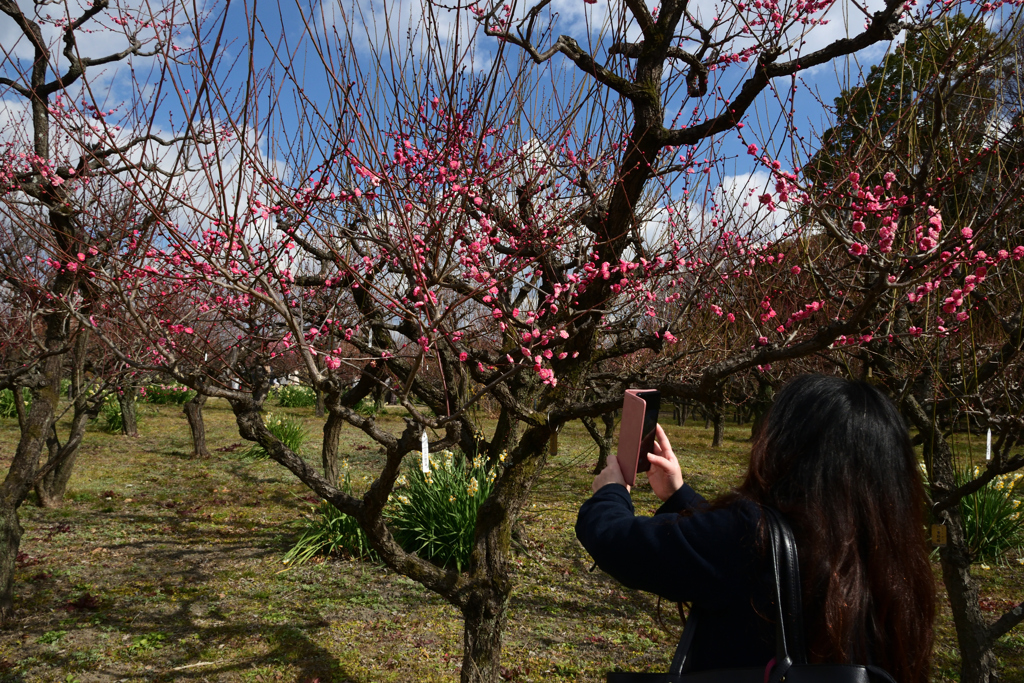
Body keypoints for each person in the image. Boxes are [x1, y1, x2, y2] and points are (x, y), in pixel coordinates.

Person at [576, 375, 935, 683]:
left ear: (788, 449)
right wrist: (678, 494)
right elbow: (740, 551)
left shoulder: (749, 532)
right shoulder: (886, 548)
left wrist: (610, 493)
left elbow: (618, 543)